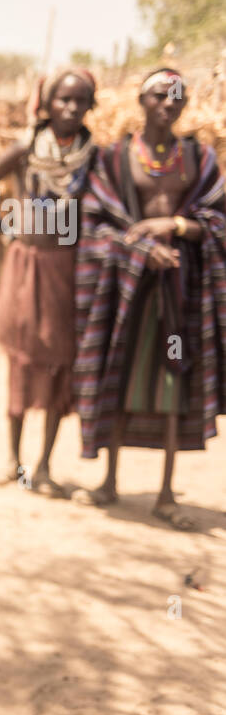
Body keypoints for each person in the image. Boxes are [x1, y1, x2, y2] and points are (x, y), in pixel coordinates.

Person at [74, 68, 226, 530]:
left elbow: (218, 222)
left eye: (177, 96)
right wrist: (139, 248)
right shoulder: (114, 158)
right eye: (161, 94)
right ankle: (109, 481)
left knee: (174, 383)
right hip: (126, 290)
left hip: (181, 289)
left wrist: (172, 228)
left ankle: (165, 493)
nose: (169, 102)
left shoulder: (199, 159)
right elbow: (95, 224)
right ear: (142, 100)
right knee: (118, 377)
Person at [0, 69, 98, 497]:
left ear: (90, 106)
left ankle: (43, 467)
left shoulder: (95, 157)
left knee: (61, 362)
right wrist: (8, 230)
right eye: (63, 99)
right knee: (21, 360)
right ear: (48, 103)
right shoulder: (26, 147)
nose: (71, 108)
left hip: (69, 268)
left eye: (80, 100)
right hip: (26, 266)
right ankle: (14, 462)